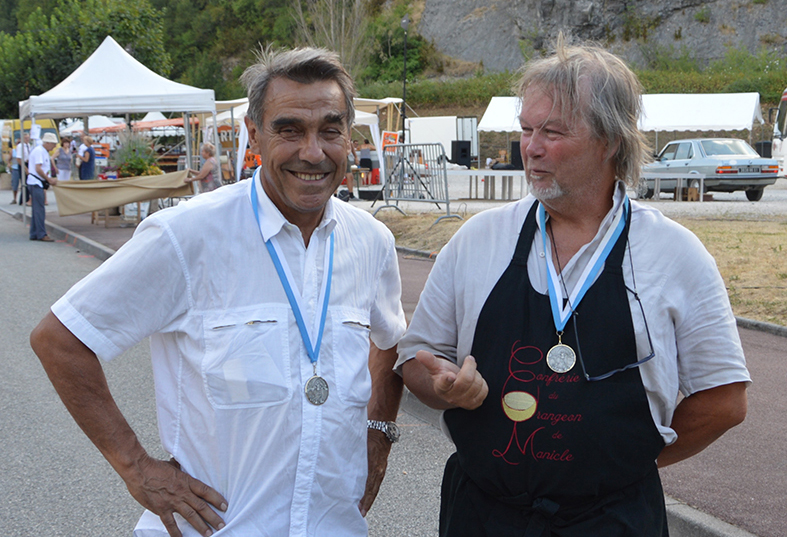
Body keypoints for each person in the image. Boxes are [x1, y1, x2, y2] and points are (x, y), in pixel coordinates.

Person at [31, 46, 406, 537]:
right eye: (290, 130)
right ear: (254, 134)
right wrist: (136, 468)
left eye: (330, 130)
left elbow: (390, 341)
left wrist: (378, 435)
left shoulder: (372, 242)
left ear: (349, 137)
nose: (313, 152)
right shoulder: (186, 236)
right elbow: (61, 339)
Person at [396, 37, 750, 536]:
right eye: (526, 129)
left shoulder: (674, 254)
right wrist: (439, 385)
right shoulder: (478, 239)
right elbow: (416, 358)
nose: (531, 147)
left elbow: (723, 400)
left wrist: (627, 464)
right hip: (483, 514)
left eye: (553, 131)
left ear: (611, 140)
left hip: (614, 520)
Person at [27, 132, 58, 241]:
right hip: (36, 182)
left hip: (37, 182)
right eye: (53, 144)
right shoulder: (39, 151)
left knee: (37, 209)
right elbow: (38, 168)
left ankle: (34, 233)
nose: (54, 146)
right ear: (47, 143)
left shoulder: (42, 151)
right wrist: (48, 179)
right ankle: (41, 234)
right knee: (39, 210)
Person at [15, 132, 32, 204]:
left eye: (28, 138)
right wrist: (25, 168)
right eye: (25, 138)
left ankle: (26, 199)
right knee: (24, 182)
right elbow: (18, 158)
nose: (27, 139)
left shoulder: (28, 145)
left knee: (28, 182)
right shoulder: (20, 146)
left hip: (28, 163)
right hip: (23, 164)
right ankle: (23, 199)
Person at [9, 136, 21, 204]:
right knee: (15, 183)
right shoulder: (13, 151)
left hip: (22, 168)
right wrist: (9, 164)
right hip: (15, 168)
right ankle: (15, 198)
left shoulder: (24, 150)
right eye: (18, 143)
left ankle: (24, 198)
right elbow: (9, 159)